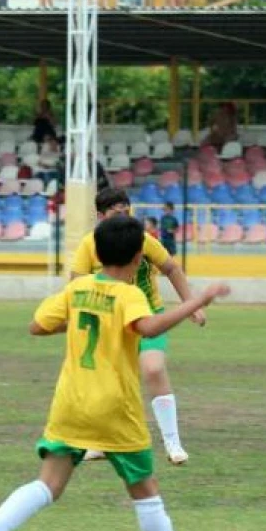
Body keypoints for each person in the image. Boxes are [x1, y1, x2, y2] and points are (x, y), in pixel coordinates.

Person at [0, 215, 228, 531]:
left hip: (70, 404)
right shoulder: (130, 294)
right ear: (138, 259)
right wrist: (198, 300)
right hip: (115, 409)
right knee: (145, 490)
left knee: (47, 484)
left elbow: (36, 325)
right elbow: (147, 328)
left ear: (97, 254)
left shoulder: (78, 288)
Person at [71, 190, 203, 466]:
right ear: (100, 216)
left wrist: (192, 304)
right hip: (110, 323)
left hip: (148, 317)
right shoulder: (88, 245)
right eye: (115, 213)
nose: (123, 218)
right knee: (108, 382)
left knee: (153, 369)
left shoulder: (144, 241)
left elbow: (172, 269)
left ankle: (173, 444)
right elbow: (76, 284)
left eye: (126, 211)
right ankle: (103, 442)